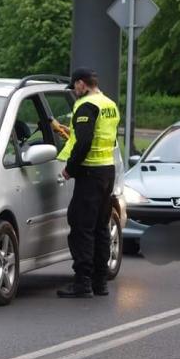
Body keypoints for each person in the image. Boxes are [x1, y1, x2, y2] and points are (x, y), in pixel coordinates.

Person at [55, 67, 120, 298]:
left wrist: (69, 170)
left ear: (82, 84)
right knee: (101, 227)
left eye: (74, 88)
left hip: (90, 173)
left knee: (82, 228)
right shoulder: (109, 104)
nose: (74, 92)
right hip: (106, 170)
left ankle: (83, 282)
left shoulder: (86, 106)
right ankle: (100, 282)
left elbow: (83, 142)